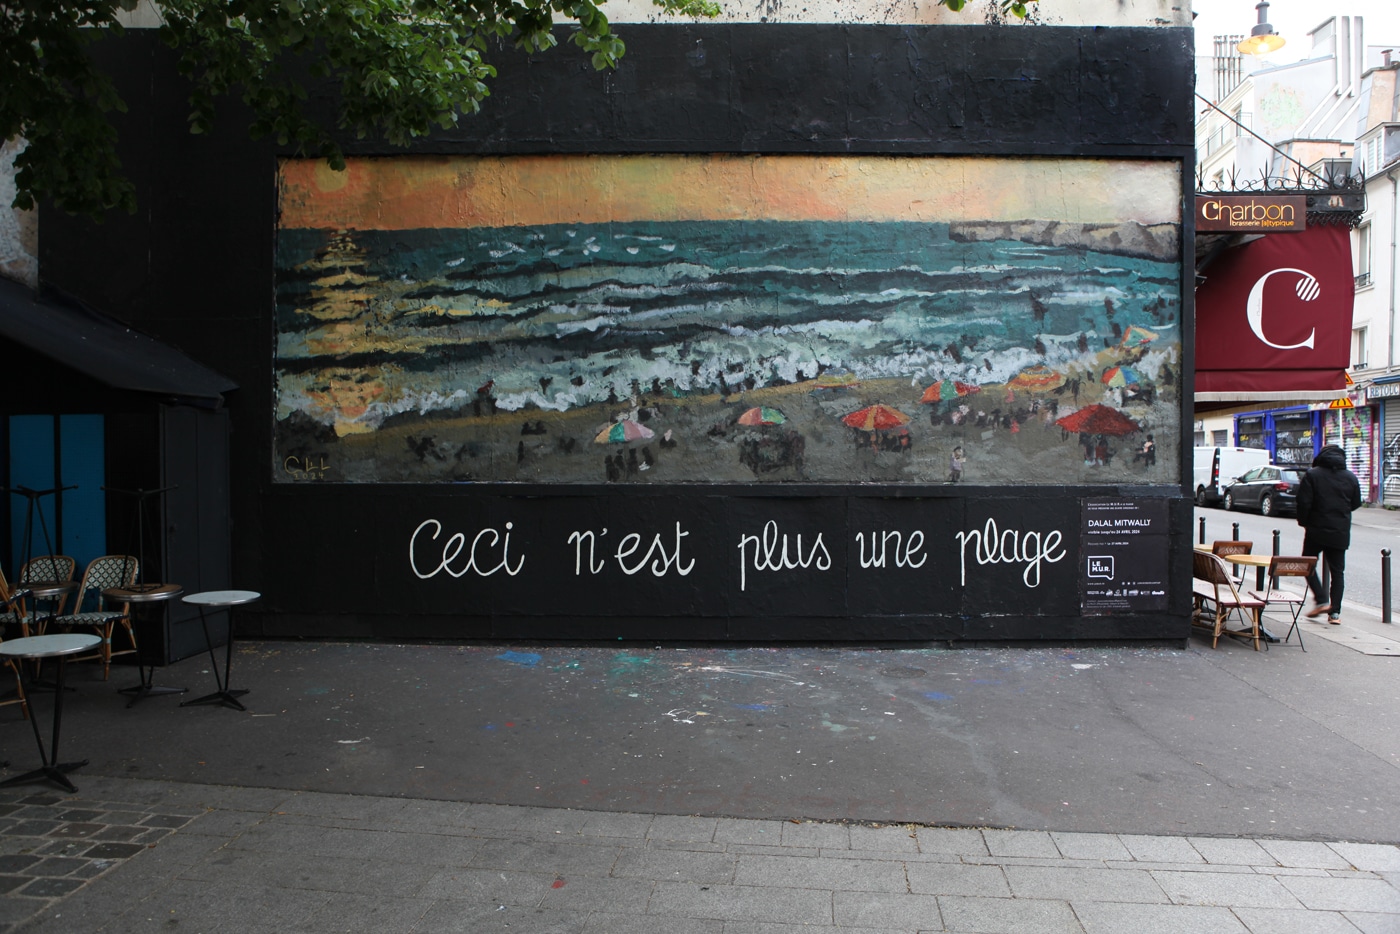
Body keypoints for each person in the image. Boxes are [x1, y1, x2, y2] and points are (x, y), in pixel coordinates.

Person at [1296, 444, 1362, 625]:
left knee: (1307, 563)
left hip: (1316, 529)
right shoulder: (1350, 477)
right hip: (1340, 531)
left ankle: (1321, 599)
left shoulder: (1313, 475)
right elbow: (1356, 502)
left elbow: (1303, 502)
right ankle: (1335, 614)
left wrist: (1304, 522)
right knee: (1338, 572)